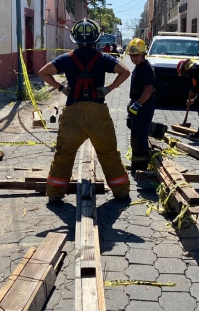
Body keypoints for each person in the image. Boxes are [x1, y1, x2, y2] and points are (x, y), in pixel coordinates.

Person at [38, 19, 131, 203]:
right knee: (109, 153)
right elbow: (125, 72)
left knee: (64, 154)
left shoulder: (66, 58)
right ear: (97, 38)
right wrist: (108, 89)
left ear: (75, 39)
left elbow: (43, 72)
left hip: (74, 113)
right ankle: (121, 192)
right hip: (98, 113)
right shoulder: (103, 58)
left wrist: (61, 88)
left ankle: (55, 194)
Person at [125, 38, 155, 175]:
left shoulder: (146, 69)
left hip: (143, 107)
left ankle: (141, 167)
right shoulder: (139, 67)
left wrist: (137, 105)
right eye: (132, 56)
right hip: (137, 105)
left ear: (143, 54)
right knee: (135, 134)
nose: (134, 58)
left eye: (136, 55)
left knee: (140, 136)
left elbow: (148, 90)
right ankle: (136, 163)